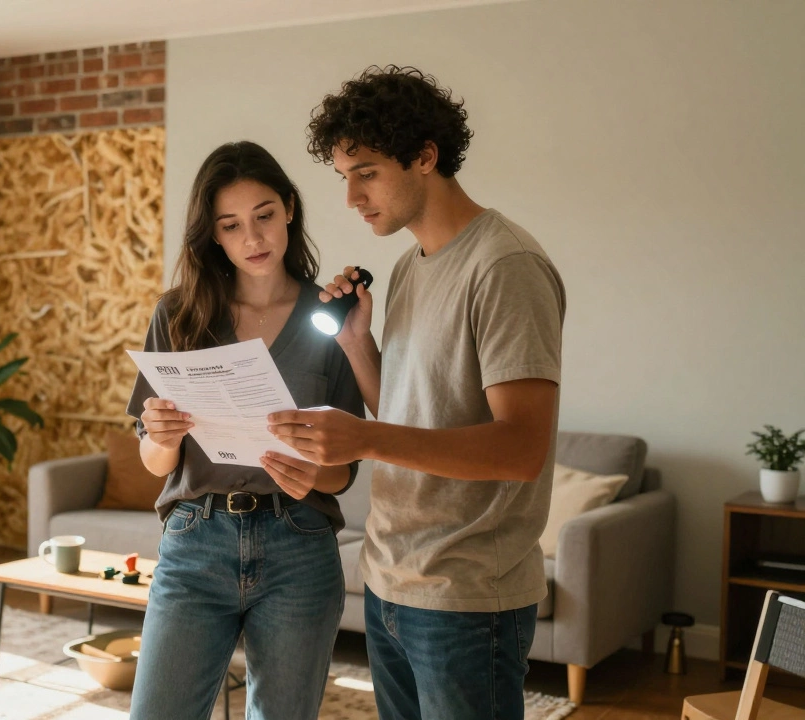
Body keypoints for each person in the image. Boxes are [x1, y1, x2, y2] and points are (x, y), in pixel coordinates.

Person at [267, 66, 567, 720]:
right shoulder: (408, 266)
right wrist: (355, 343)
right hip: (390, 578)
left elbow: (521, 449)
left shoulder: (505, 265)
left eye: (366, 172)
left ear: (425, 157)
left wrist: (366, 440)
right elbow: (405, 412)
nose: (351, 197)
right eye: (343, 176)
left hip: (466, 596)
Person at [126, 140, 365, 720]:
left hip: (299, 543)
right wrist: (160, 436)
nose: (253, 239)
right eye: (231, 226)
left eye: (263, 216)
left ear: (288, 207)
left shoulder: (331, 317)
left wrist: (313, 473)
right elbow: (157, 466)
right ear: (214, 235)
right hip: (194, 542)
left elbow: (343, 475)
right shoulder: (179, 314)